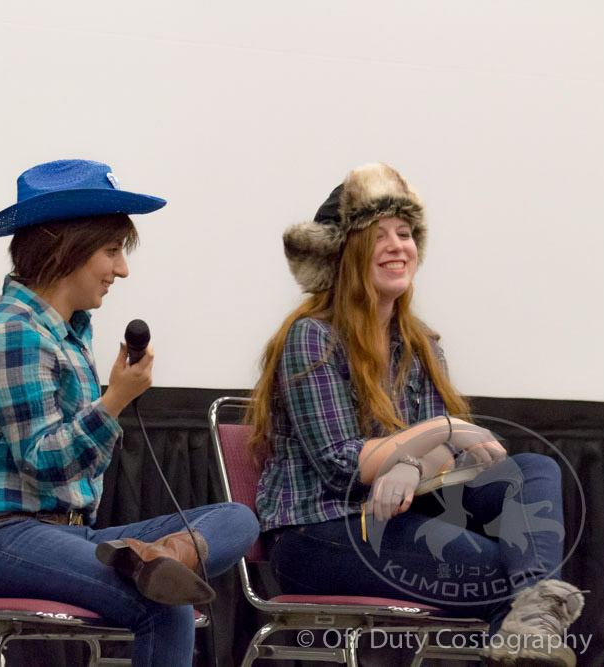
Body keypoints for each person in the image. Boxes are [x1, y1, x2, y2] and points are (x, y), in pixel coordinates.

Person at [248, 163, 584, 666]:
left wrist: (411, 463)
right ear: (344, 253)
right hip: (318, 532)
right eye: (377, 235)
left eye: (404, 234)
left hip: (398, 513)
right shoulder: (311, 337)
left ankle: (531, 633)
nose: (397, 246)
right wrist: (442, 428)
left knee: (536, 469)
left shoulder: (419, 344)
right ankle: (530, 630)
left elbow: (445, 455)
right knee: (504, 576)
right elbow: (344, 466)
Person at [0, 159, 259, 667]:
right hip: (2, 538)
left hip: (71, 534)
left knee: (237, 518)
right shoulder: (13, 333)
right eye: (111, 251)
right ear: (64, 247)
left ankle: (163, 561)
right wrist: (115, 400)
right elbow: (44, 464)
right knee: (163, 606)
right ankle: (154, 572)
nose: (123, 269)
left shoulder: (68, 333)